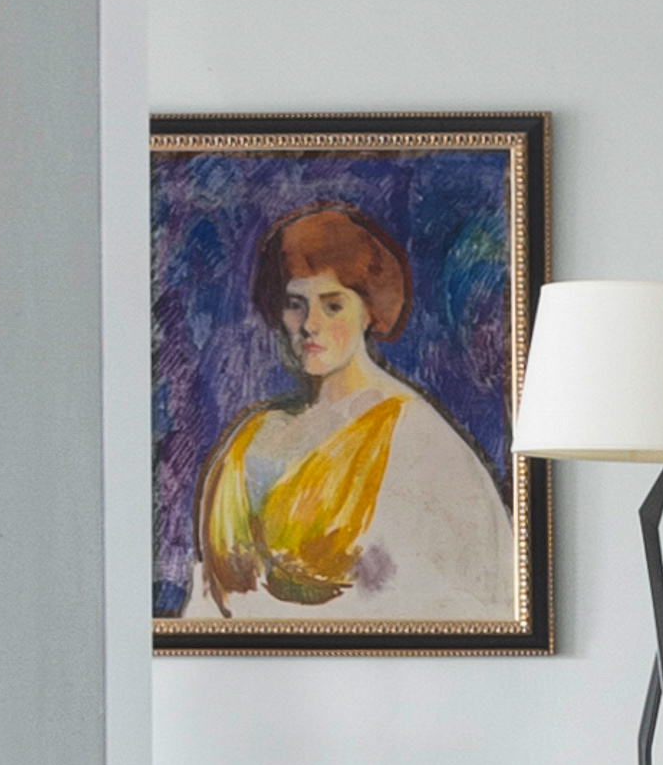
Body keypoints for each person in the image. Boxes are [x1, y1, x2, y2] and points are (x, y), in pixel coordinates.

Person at [188, 202, 514, 620]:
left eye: (332, 305)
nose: (310, 324)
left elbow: (462, 602)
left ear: (369, 311)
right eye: (294, 303)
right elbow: (204, 599)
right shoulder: (250, 437)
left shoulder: (414, 437)